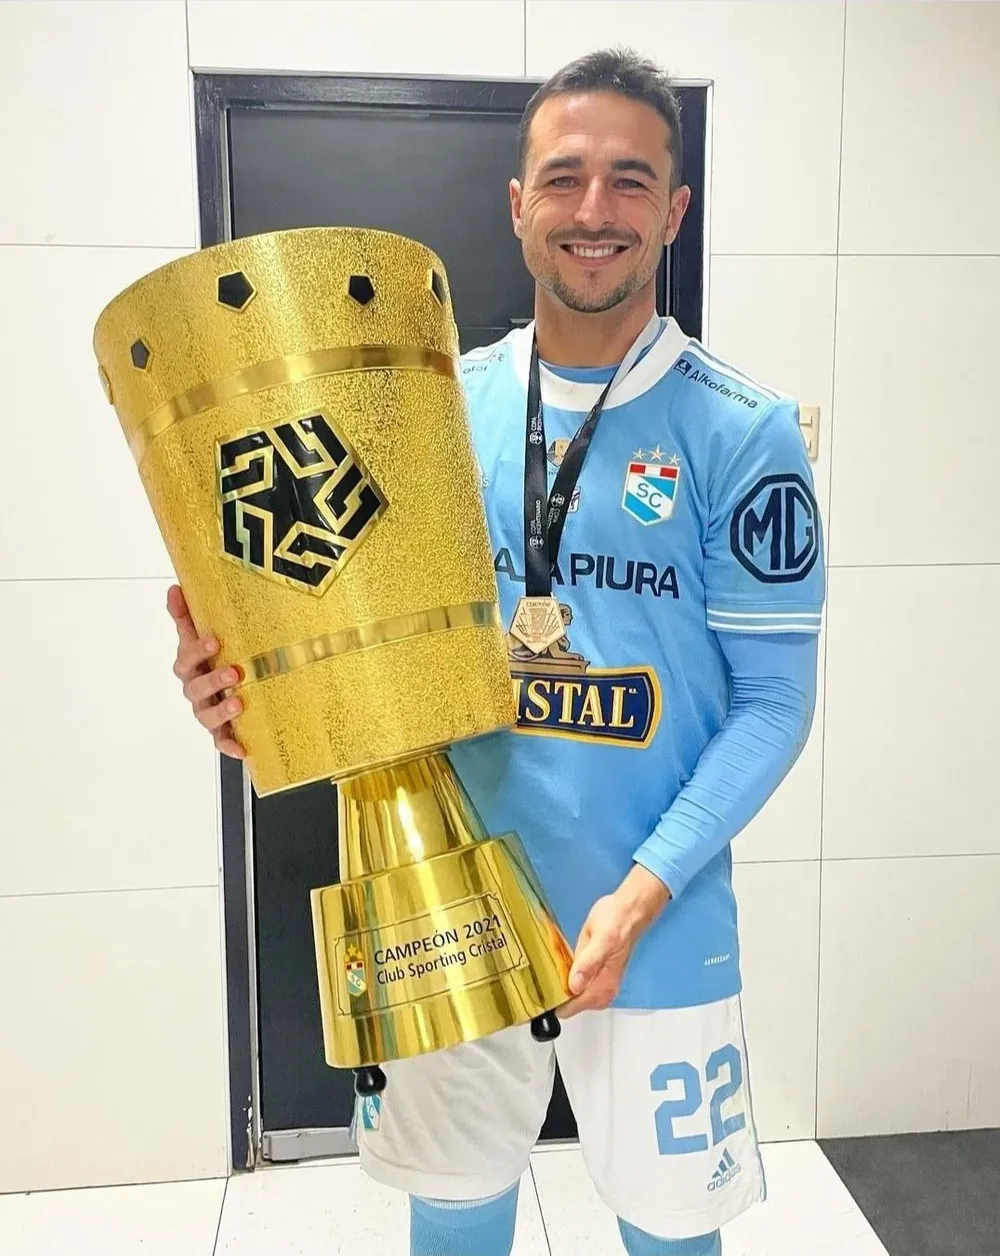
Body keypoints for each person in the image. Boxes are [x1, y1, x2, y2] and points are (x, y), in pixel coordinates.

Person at [168, 47, 824, 1256]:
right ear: (515, 203)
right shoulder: (419, 405)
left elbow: (775, 703)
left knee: (670, 1231)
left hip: (657, 912)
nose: (593, 210)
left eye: (630, 182)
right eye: (563, 176)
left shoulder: (744, 430)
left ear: (674, 212)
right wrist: (246, 692)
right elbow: (331, 634)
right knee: (456, 1210)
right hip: (443, 894)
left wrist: (641, 893)